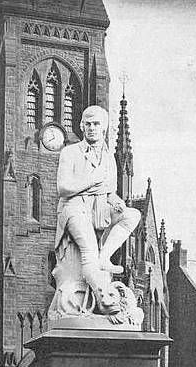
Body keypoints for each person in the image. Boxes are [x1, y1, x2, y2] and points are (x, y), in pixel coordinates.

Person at [55, 105, 140, 295]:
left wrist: (117, 201)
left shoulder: (109, 158)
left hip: (100, 207)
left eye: (96, 124)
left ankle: (105, 257)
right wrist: (92, 180)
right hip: (74, 207)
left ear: (104, 128)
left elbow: (109, 191)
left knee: (133, 215)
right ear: (81, 126)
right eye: (88, 124)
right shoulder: (70, 152)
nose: (92, 128)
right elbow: (63, 188)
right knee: (89, 251)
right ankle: (104, 297)